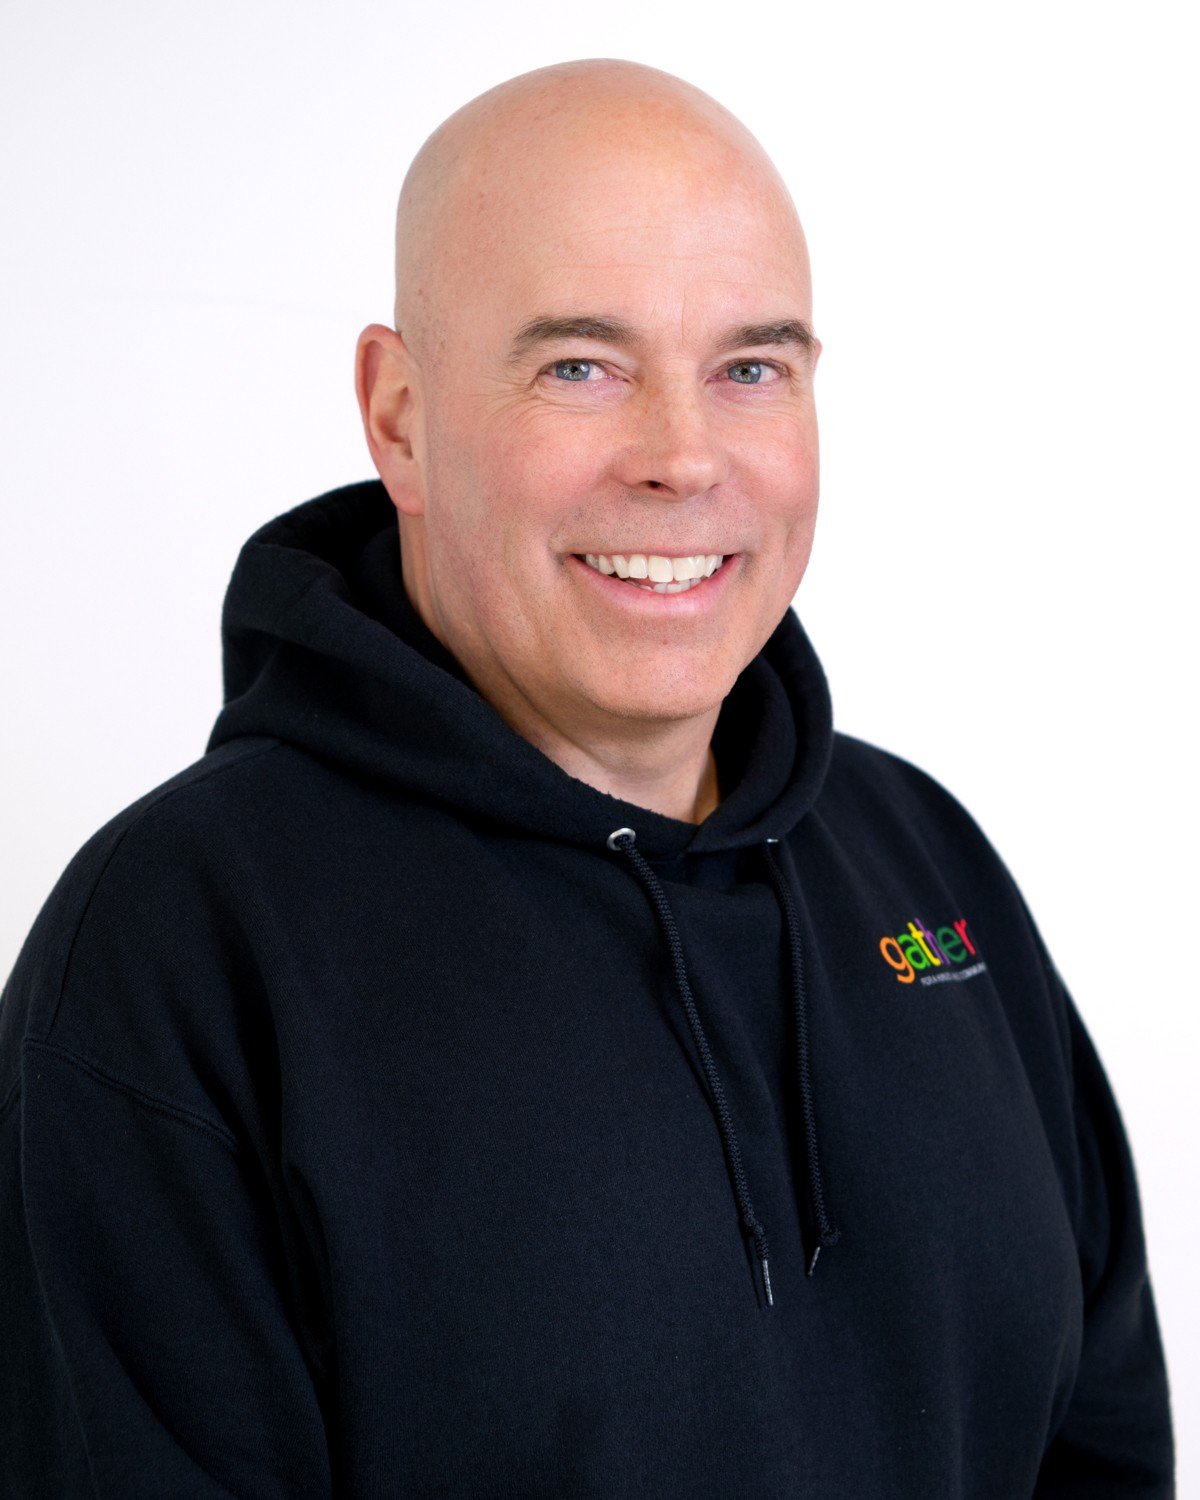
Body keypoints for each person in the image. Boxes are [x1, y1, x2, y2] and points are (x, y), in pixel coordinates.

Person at [0, 57, 1174, 1497]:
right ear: (400, 416)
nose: (683, 457)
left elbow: (1101, 1447)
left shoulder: (921, 861)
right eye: (581, 367)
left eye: (751, 368)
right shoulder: (179, 949)